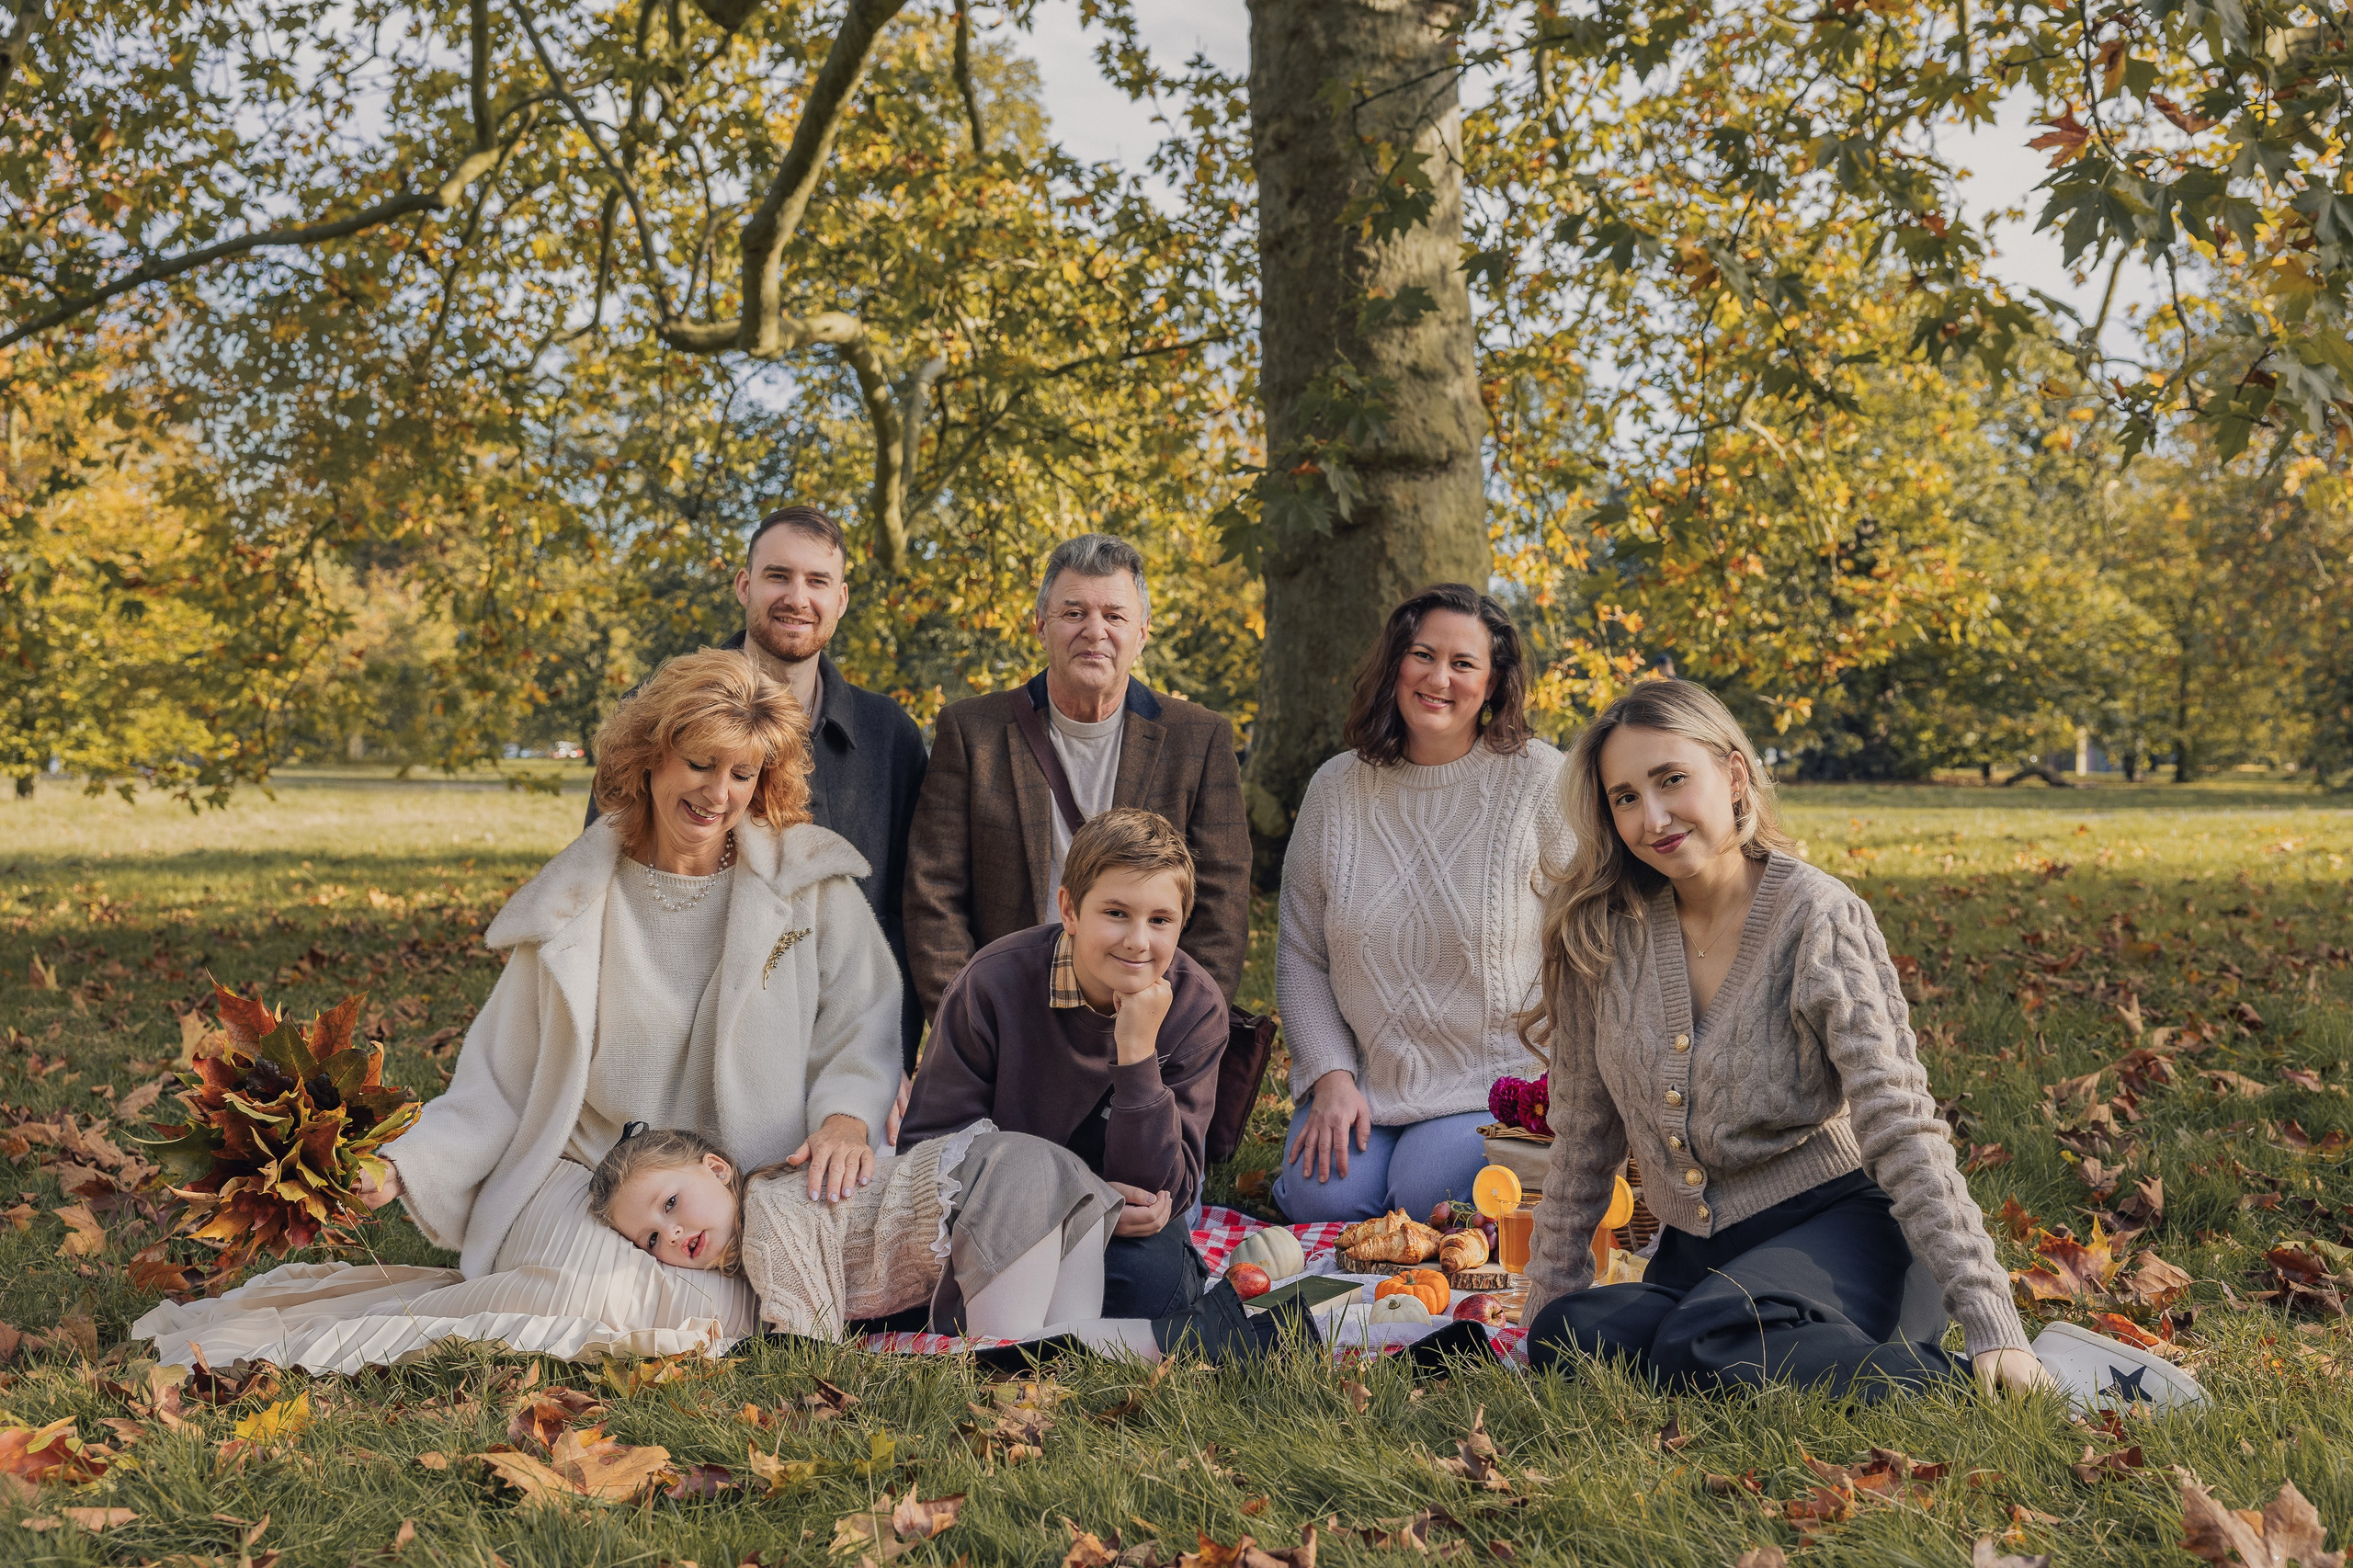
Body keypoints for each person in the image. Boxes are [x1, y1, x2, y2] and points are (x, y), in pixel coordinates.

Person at [132, 650, 904, 1374]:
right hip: (586, 1176)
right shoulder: (576, 904)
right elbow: (499, 1083)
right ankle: (340, 1333)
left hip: (742, 1196)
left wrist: (846, 1116)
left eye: (742, 772)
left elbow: (862, 1019)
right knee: (605, 1299)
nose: (718, 793)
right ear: (649, 760)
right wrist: (399, 1167)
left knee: (707, 1308)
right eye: (699, 764)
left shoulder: (807, 884)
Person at [1517, 677, 2047, 1401]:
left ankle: (1980, 1386)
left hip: (1848, 1226)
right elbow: (1582, 1138)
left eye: (1673, 780)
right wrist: (1546, 1300)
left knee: (1704, 1344)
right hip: (1702, 1253)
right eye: (1626, 797)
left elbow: (1899, 1121)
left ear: (1735, 776)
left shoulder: (1817, 917)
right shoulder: (1599, 933)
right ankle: (1765, 1351)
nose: (1654, 816)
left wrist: (1991, 1320)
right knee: (1570, 1335)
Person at [586, 505, 928, 1076]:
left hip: (839, 1046)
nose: (798, 597)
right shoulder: (657, 711)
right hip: (684, 1040)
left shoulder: (889, 734)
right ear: (745, 585)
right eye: (778, 576)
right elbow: (603, 885)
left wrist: (889, 1062)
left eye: (817, 581)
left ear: (841, 600)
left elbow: (905, 913)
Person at [1272, 585, 1564, 1223]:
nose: (1438, 678)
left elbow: (1596, 932)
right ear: (1395, 665)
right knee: (1325, 1199)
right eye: (1422, 655)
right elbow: (1300, 956)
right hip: (1366, 1085)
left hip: (1492, 1085)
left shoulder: (1539, 781)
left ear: (1492, 684)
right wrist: (1329, 1076)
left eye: (1463, 664)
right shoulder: (1335, 789)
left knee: (1427, 1194)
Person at [902, 532, 1248, 1021]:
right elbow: (933, 894)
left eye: (1114, 615)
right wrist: (968, 1022)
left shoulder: (1199, 739)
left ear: (1143, 632)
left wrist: (1173, 1026)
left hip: (1148, 1015)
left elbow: (1221, 907)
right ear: (1041, 627)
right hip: (1009, 1013)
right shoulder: (971, 732)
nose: (1094, 631)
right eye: (1073, 613)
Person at [898, 808, 1227, 1319]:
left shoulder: (1195, 1007)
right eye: (1116, 913)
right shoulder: (993, 984)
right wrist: (1082, 1202)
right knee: (958, 1281)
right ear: (1070, 911)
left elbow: (1161, 1189)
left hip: (1124, 1232)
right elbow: (928, 1151)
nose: (1139, 941)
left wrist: (1138, 1053)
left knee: (1150, 1288)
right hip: (1003, 1215)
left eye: (1160, 920)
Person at [588, 1122, 1122, 1342]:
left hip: (994, 1182)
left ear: (717, 1169)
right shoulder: (774, 1199)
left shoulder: (767, 1216)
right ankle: (1188, 1335)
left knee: (1008, 1366)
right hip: (1036, 1162)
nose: (674, 1233)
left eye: (671, 1204)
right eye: (651, 1240)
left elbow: (809, 1337)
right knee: (1075, 1349)